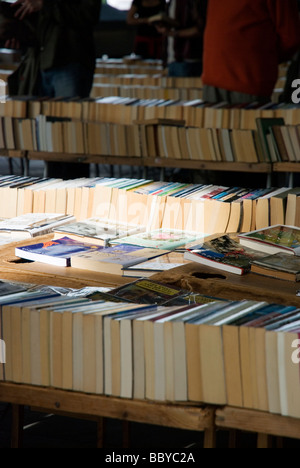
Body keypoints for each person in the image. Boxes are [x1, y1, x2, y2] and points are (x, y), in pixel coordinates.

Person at [5, 0, 102, 179]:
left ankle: (77, 192)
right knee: (49, 135)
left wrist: (45, 5)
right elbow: (40, 25)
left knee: (71, 134)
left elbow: (88, 14)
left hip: (70, 61)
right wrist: (17, 32)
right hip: (42, 62)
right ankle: (55, 189)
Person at [202, 0, 300, 104]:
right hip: (247, 76)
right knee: (248, 119)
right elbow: (291, 38)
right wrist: (267, 60)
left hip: (213, 72)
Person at [157, 0, 208, 78]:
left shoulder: (193, 2)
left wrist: (172, 33)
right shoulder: (171, 3)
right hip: (172, 59)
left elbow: (200, 29)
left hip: (188, 59)